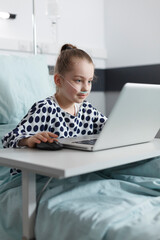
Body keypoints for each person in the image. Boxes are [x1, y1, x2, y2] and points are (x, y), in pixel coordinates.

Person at [2, 43, 107, 150]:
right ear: (58, 80)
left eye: (89, 81)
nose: (86, 88)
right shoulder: (45, 109)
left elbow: (109, 127)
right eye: (79, 80)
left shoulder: (87, 110)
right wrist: (28, 140)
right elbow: (9, 139)